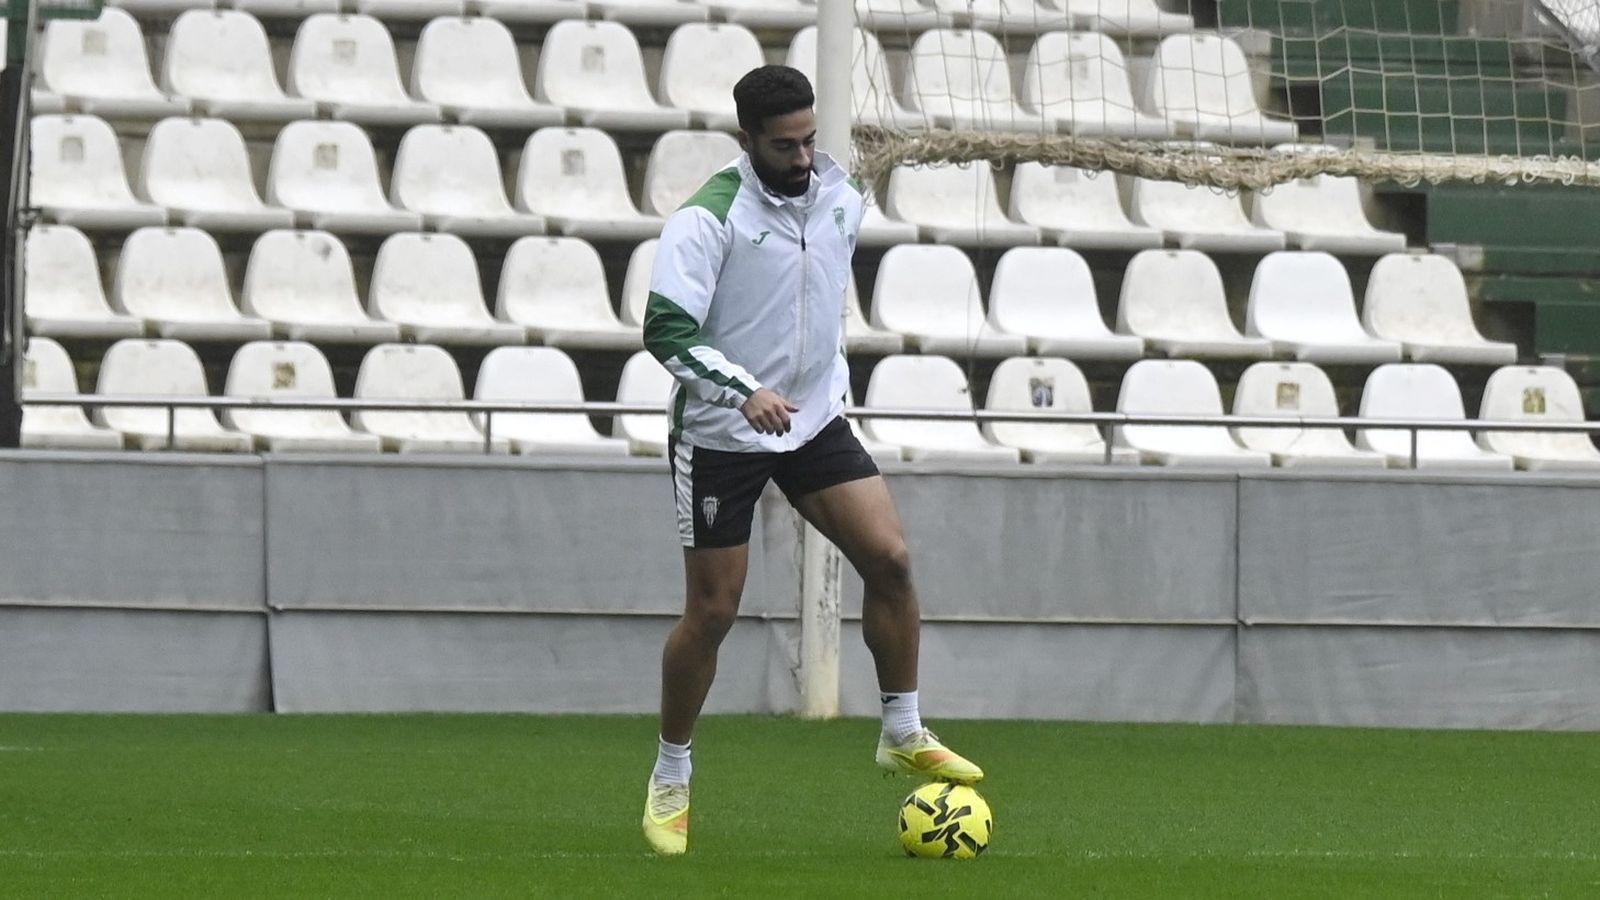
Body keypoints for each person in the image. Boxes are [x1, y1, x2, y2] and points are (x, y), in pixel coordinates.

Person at [639, 65, 982, 857]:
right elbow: (665, 328)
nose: (801, 159)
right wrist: (742, 387)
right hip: (725, 431)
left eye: (808, 141)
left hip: (814, 420)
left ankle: (901, 730)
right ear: (746, 142)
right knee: (714, 613)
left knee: (891, 559)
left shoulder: (839, 192)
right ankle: (672, 773)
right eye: (783, 146)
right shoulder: (706, 218)